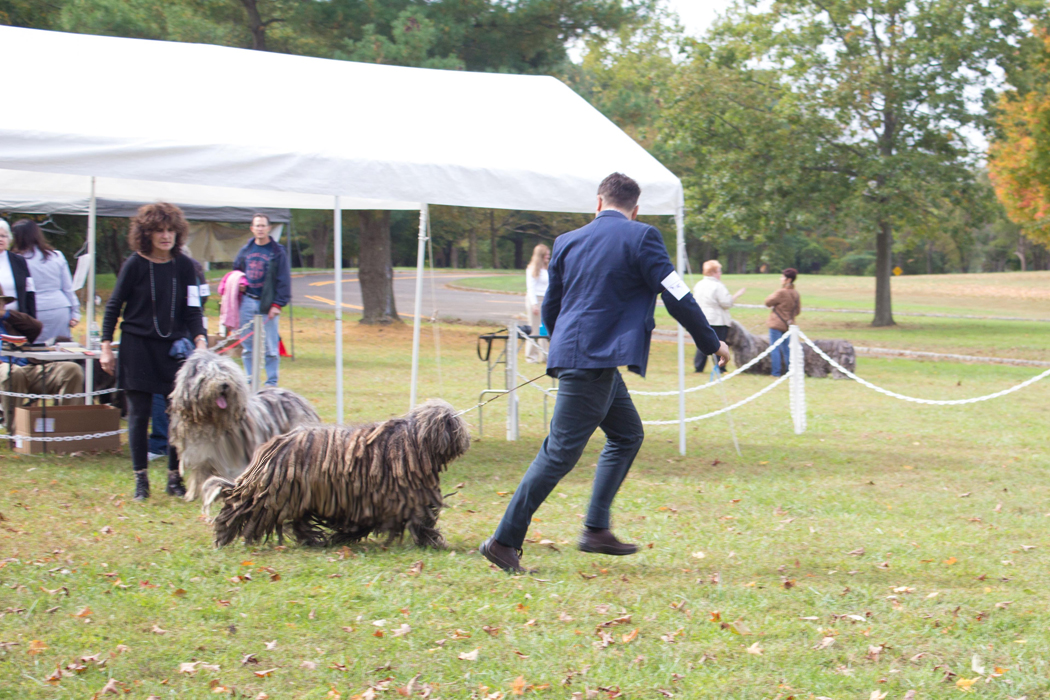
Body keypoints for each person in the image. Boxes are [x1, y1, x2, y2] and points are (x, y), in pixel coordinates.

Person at [479, 173, 730, 574]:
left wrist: (563, 346)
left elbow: (551, 307)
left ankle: (596, 529)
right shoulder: (643, 236)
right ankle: (503, 540)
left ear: (598, 203)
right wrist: (712, 341)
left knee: (627, 434)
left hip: (582, 356)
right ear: (636, 209)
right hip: (592, 361)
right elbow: (676, 294)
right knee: (558, 453)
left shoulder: (566, 241)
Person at [100, 203, 207, 501]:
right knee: (138, 414)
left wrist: (200, 338)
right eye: (159, 230)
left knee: (177, 415)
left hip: (173, 349)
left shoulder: (185, 266)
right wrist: (106, 347)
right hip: (136, 346)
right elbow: (113, 307)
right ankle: (140, 480)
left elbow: (193, 309)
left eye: (170, 230)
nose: (165, 236)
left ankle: (174, 477)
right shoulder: (134, 264)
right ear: (146, 234)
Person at [0, 290, 84, 428]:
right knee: (12, 372)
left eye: (2, 303)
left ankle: (68, 431)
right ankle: (16, 434)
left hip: (28, 368)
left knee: (71, 369)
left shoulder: (10, 321)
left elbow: (36, 327)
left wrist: (7, 315)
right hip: (5, 371)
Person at [233, 213, 290, 386]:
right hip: (248, 301)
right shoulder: (246, 250)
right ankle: (250, 379)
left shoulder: (277, 252)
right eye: (257, 226)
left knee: (271, 346)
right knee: (248, 345)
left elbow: (284, 280)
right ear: (252, 228)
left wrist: (277, 304)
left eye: (263, 225)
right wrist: (239, 284)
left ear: (269, 228)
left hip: (267, 303)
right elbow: (236, 271)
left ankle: (271, 382)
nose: (260, 229)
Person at [11, 219, 79, 343]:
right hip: (60, 308)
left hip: (34, 310)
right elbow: (68, 288)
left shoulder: (16, 260)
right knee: (61, 350)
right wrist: (75, 312)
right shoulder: (57, 256)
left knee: (35, 353)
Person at [692, 259, 745, 373]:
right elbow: (726, 303)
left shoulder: (699, 285)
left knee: (702, 343)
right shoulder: (718, 286)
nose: (720, 274)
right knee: (719, 343)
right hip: (717, 319)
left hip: (702, 318)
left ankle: (698, 366)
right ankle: (720, 367)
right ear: (713, 272)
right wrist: (736, 295)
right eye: (719, 271)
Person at [764, 267, 801, 377]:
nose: (781, 279)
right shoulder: (796, 293)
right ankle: (790, 372)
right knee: (787, 349)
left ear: (788, 280)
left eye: (783, 277)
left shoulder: (781, 292)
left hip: (776, 324)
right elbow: (798, 310)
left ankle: (775, 373)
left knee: (774, 348)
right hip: (789, 325)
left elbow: (768, 302)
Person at [0, 219, 36, 318]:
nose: (0, 239)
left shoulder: (19, 261)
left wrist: (32, 320)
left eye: (3, 236)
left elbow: (30, 291)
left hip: (16, 318)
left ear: (9, 238)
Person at [524, 243, 550, 363]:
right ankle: (531, 357)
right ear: (540, 255)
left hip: (546, 299)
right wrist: (534, 304)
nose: (548, 257)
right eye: (546, 255)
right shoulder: (532, 269)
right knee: (535, 328)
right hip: (535, 299)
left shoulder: (547, 269)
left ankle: (544, 355)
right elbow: (531, 288)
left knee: (544, 329)